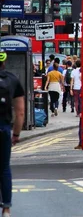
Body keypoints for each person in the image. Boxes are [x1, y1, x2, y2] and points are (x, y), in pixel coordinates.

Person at [0, 52, 25, 217]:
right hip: (3, 129)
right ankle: (6, 209)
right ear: (4, 62)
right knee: (4, 168)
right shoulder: (12, 80)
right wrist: (16, 134)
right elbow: (20, 112)